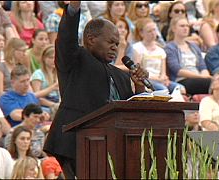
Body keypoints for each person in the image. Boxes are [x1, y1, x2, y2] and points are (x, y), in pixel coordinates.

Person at [43, 2, 149, 179]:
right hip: (77, 143)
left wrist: (139, 86)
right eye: (110, 42)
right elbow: (66, 38)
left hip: (114, 147)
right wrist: (73, 8)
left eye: (117, 43)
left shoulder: (122, 76)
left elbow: (133, 115)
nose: (115, 47)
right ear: (91, 39)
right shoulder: (75, 60)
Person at [164, 16, 212, 95]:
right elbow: (177, 70)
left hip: (199, 78)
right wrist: (201, 77)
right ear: (173, 29)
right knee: (211, 83)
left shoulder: (194, 46)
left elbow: (202, 66)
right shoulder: (170, 48)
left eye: (187, 26)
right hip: (182, 80)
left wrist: (205, 75)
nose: (185, 28)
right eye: (182, 26)